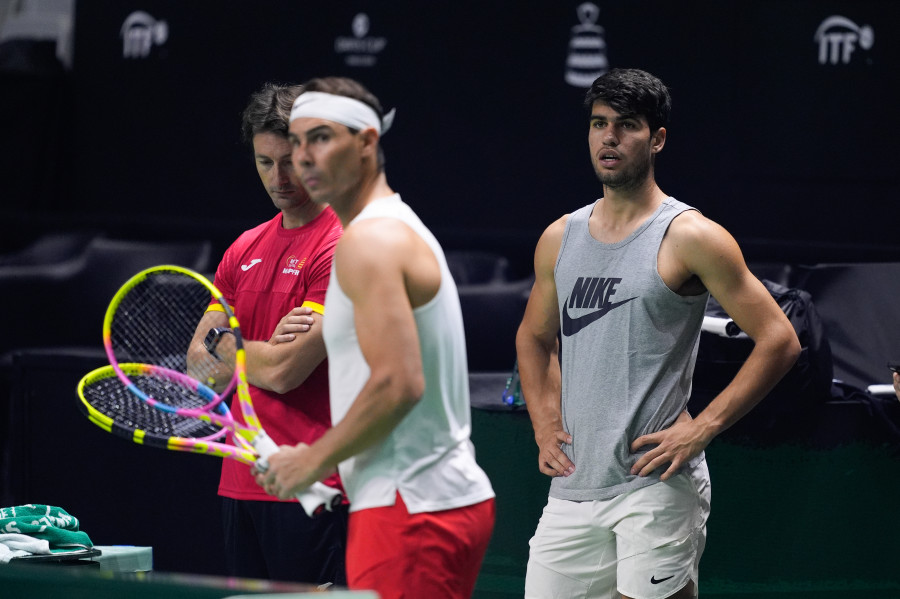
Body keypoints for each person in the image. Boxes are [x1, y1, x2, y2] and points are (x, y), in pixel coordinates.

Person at [515, 68, 801, 599]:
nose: (609, 137)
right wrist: (544, 421)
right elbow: (533, 338)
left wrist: (704, 427)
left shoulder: (692, 235)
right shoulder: (560, 236)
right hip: (575, 485)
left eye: (626, 125)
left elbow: (780, 339)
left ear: (657, 138)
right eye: (600, 124)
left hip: (656, 485)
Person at [253, 76, 496, 599]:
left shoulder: (369, 240)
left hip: (410, 509)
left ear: (366, 142)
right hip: (424, 501)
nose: (301, 158)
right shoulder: (390, 227)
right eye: (295, 142)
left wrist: (308, 461)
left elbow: (398, 384)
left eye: (320, 138)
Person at [187, 82, 347, 585]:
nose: (278, 178)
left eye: (291, 162)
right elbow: (199, 367)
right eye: (264, 162)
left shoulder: (344, 245)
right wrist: (255, 350)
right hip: (241, 481)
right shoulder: (243, 248)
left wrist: (230, 347)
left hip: (315, 482)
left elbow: (284, 372)